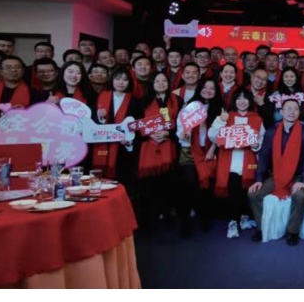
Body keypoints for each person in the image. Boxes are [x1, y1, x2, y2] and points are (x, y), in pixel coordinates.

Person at [248, 98, 304, 246]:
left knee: (300, 196)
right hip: (277, 175)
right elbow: (264, 157)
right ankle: (261, 228)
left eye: (295, 109)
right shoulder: (272, 132)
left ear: (299, 112)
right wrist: (259, 179)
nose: (292, 112)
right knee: (253, 194)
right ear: (281, 111)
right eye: (288, 108)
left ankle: (292, 231)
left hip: (298, 176)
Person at [208, 89, 264, 239]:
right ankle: (232, 222)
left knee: (246, 191)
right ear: (234, 101)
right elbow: (212, 136)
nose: (242, 101)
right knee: (234, 192)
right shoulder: (226, 116)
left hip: (249, 163)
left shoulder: (257, 119)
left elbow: (261, 142)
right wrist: (221, 120)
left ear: (250, 101)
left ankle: (244, 217)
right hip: (230, 162)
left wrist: (256, 145)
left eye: (245, 98)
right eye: (239, 98)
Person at [136, 72, 182, 232]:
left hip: (170, 145)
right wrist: (148, 133)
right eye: (157, 81)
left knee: (168, 183)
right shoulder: (142, 101)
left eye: (164, 80)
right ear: (152, 83)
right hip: (148, 146)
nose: (161, 83)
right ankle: (149, 219)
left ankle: (167, 214)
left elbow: (183, 123)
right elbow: (135, 123)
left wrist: (168, 133)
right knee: (149, 185)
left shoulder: (177, 100)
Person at [175, 79, 222, 237]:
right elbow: (180, 126)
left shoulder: (219, 109)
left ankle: (204, 218)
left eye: (212, 88)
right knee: (189, 184)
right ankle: (184, 222)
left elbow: (222, 132)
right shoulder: (189, 106)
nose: (208, 90)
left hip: (209, 150)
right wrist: (183, 134)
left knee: (206, 185)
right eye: (205, 87)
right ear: (199, 88)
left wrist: (213, 148)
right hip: (188, 150)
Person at [92, 68, 143, 194]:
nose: (121, 82)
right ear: (112, 80)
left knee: (123, 183)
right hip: (101, 145)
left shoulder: (135, 102)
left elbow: (138, 126)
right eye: (118, 79)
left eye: (125, 80)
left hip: (124, 148)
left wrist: (129, 141)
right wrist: (99, 117)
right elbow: (91, 123)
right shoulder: (100, 97)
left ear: (130, 82)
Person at [0, 56, 48, 137]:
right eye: (8, 67)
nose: (13, 70)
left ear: (23, 70)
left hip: (23, 136)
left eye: (17, 67)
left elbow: (41, 118)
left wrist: (25, 114)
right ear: (1, 71)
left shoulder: (34, 93)